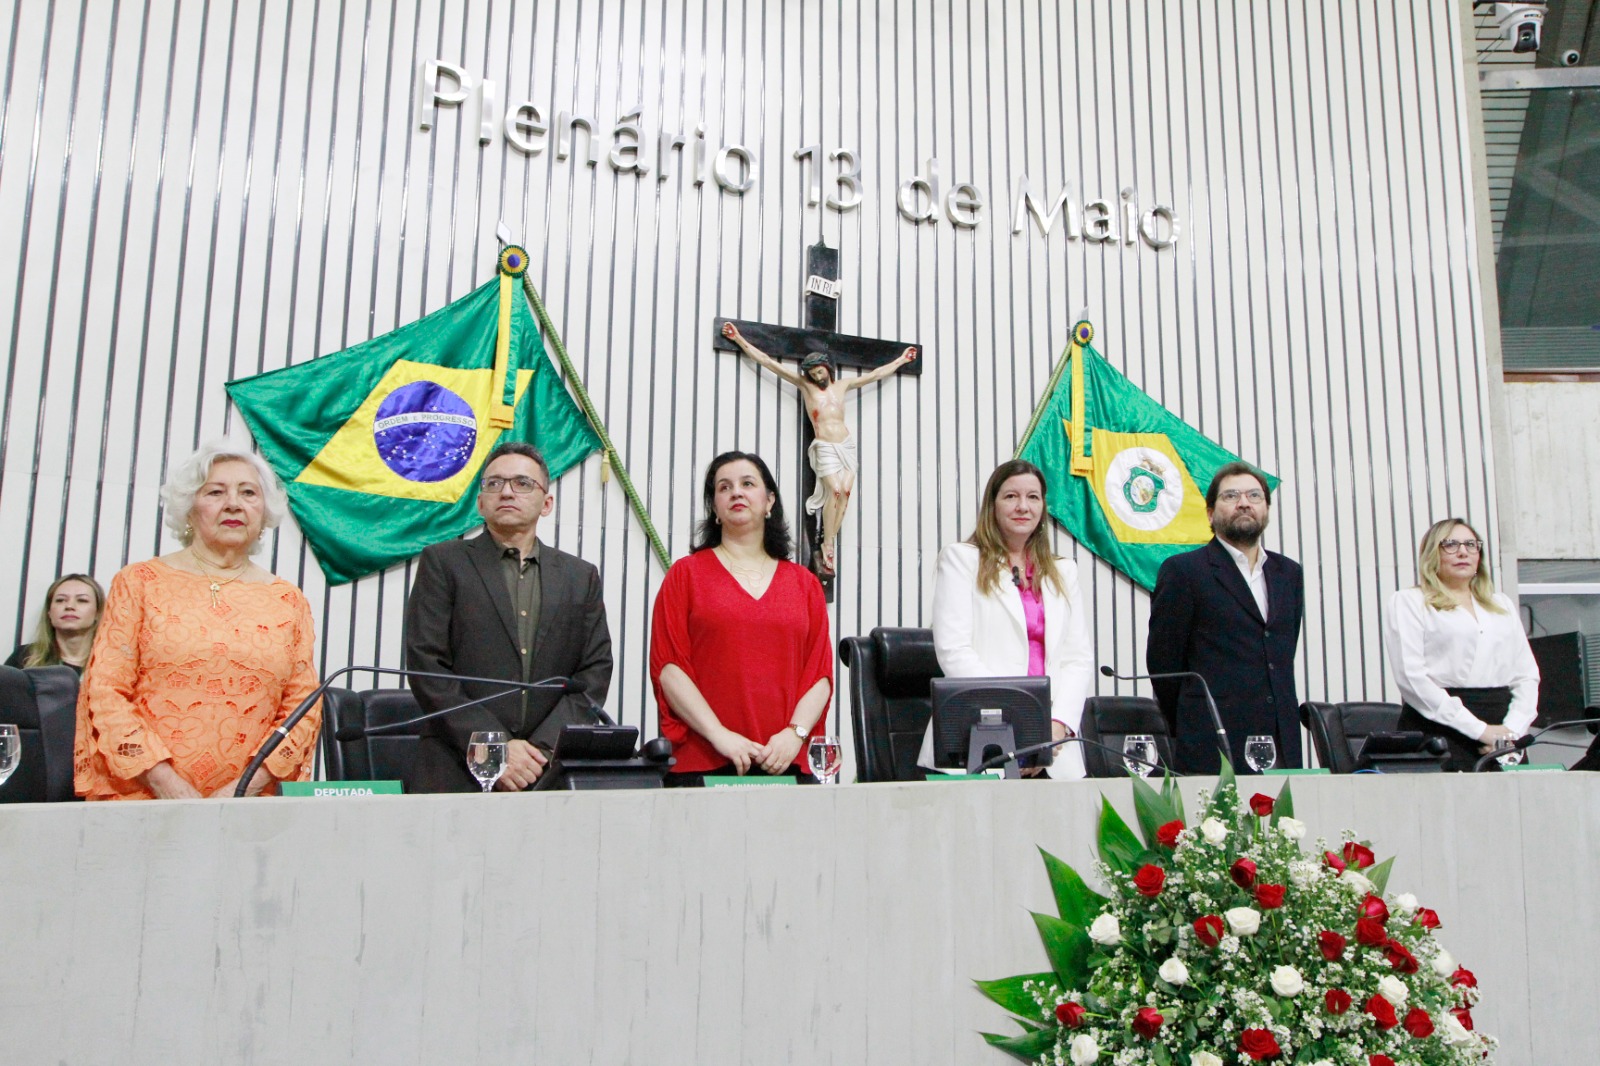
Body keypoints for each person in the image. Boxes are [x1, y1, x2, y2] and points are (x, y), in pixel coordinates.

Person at [74, 440, 320, 799]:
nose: (233, 503)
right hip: (144, 798)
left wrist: (243, 788)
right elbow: (105, 690)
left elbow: (303, 706)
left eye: (248, 492)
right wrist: (167, 784)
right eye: (216, 492)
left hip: (250, 807)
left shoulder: (288, 599)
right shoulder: (140, 582)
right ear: (189, 508)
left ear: (264, 511)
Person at [404, 442, 613, 792]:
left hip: (545, 770)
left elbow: (594, 671)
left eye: (522, 483)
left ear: (547, 503)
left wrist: (540, 749)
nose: (507, 492)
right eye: (494, 484)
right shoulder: (443, 563)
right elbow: (427, 667)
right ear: (480, 502)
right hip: (455, 765)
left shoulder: (580, 576)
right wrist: (494, 749)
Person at [649, 451, 832, 785]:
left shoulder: (805, 584)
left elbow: (819, 674)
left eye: (748, 483)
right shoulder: (685, 575)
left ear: (769, 501)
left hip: (787, 761)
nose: (736, 492)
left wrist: (795, 734)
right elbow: (669, 668)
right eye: (724, 487)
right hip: (704, 761)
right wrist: (719, 735)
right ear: (715, 508)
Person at [917, 460, 1094, 778]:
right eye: (1011, 496)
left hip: (1054, 749)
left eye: (1034, 497)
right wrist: (1021, 727)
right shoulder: (962, 560)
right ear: (992, 505)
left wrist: (1056, 727)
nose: (1023, 506)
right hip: (979, 740)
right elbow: (954, 651)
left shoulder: (1064, 571)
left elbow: (1077, 659)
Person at [721, 321, 916, 575]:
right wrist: (738, 338)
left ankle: (829, 542)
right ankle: (827, 544)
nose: (817, 376)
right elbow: (769, 362)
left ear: (827, 368)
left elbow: (875, 374)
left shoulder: (842, 386)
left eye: (819, 371)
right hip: (824, 446)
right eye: (812, 373)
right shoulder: (806, 387)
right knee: (834, 490)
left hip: (846, 445)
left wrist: (901, 360)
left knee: (845, 492)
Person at [1146, 462, 1304, 773]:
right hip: (1211, 742)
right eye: (1231, 496)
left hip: (1280, 740)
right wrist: (1192, 720)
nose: (1244, 503)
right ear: (1209, 513)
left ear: (1267, 510)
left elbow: (1281, 653)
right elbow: (1164, 665)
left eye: (1255, 496)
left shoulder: (1289, 574)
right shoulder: (1184, 571)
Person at [1383, 517, 1539, 772]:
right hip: (1440, 725)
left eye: (1471, 544)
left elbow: (1526, 676)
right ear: (1433, 554)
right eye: (1451, 545)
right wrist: (1481, 731)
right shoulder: (1410, 601)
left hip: (1503, 731)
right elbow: (1412, 678)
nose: (1463, 551)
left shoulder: (1501, 605)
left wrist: (1511, 732)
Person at [7, 573, 105, 673]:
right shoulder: (24, 657)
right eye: (60, 600)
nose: (69, 606)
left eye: (82, 600)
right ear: (49, 612)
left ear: (98, 612)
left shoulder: (115, 663)